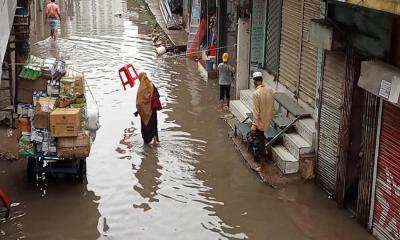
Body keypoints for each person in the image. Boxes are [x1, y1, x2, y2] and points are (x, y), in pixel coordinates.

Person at [250, 71, 275, 171]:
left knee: (259, 142)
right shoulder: (270, 90)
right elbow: (272, 106)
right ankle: (263, 155)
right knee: (261, 140)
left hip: (260, 122)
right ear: (261, 80)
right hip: (267, 120)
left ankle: (262, 165)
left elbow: (256, 112)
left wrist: (253, 125)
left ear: (255, 82)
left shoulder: (256, 93)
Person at [134, 72, 160, 145]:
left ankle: (147, 142)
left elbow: (140, 103)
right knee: (154, 125)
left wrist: (138, 111)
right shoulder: (152, 85)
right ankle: (155, 141)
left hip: (145, 113)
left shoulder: (141, 89)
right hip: (153, 110)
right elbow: (157, 95)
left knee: (146, 127)